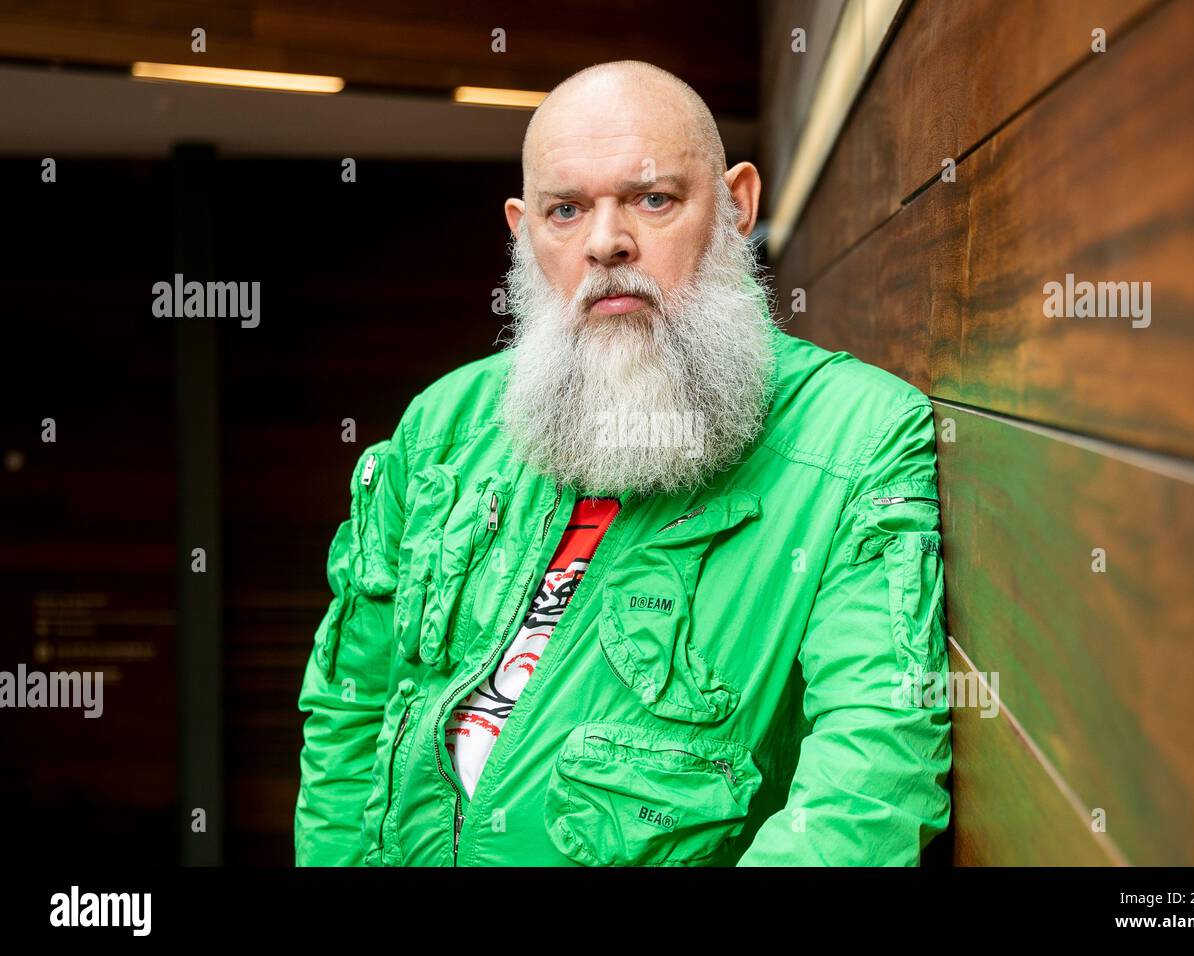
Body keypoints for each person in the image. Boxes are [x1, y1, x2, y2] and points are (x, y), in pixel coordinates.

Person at [293, 59, 952, 867]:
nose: (606, 242)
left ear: (736, 206)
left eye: (653, 199)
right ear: (523, 229)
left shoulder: (856, 438)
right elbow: (348, 710)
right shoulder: (443, 425)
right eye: (565, 210)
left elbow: (868, 784)